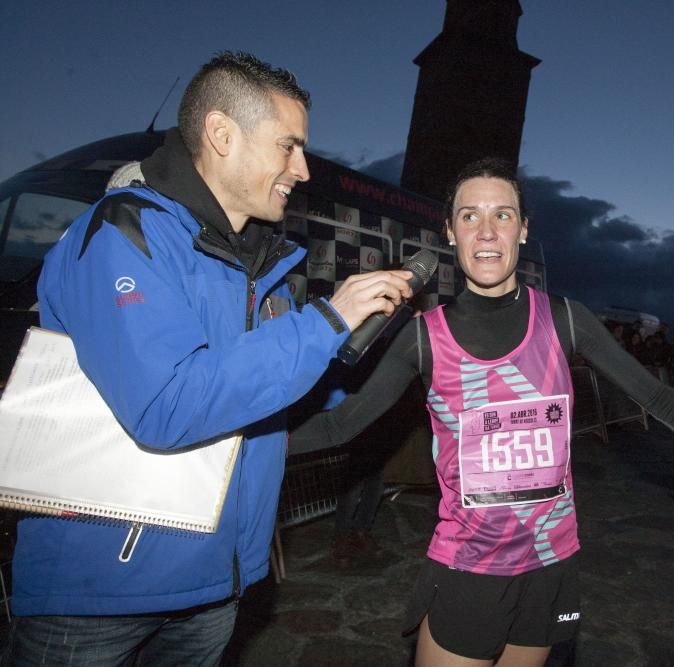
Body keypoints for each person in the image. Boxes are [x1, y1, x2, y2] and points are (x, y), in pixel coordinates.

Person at [2, 51, 413, 665]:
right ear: (222, 134)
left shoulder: (262, 265)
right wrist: (326, 321)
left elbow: (278, 403)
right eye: (288, 146)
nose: (301, 169)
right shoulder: (126, 234)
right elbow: (169, 406)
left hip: (216, 584)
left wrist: (385, 351)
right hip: (101, 595)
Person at [306, 158, 674, 666]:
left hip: (549, 560)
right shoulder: (422, 337)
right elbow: (342, 423)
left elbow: (656, 397)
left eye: (503, 215)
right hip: (470, 565)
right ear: (449, 233)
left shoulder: (565, 319)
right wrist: (229, 442)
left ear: (523, 229)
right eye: (469, 216)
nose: (486, 230)